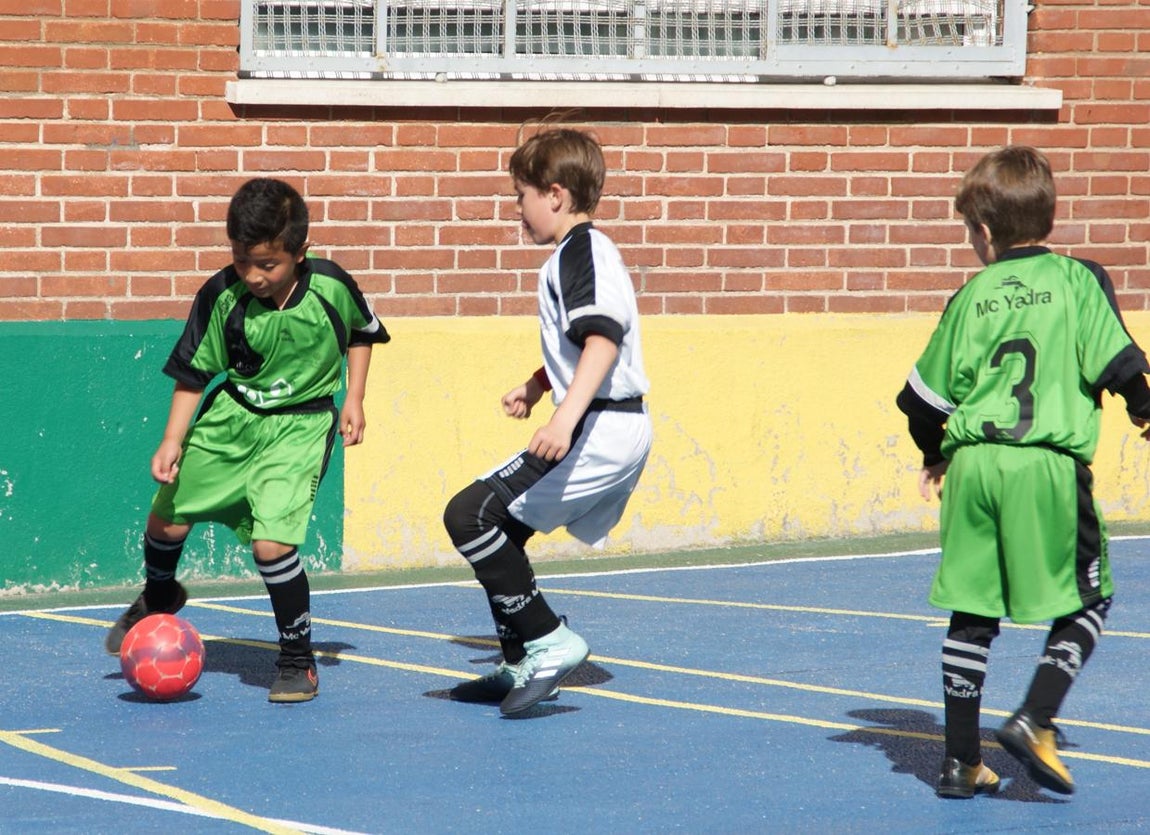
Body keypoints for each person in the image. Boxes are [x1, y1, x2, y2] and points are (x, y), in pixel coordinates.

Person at [897, 146, 1150, 798]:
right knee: (1091, 597)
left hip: (975, 466)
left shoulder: (969, 296)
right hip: (1047, 466)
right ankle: (1036, 715)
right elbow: (1124, 367)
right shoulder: (1078, 279)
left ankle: (959, 761)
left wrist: (935, 453)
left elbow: (920, 400)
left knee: (973, 609)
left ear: (982, 232)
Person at [105, 177, 390, 703]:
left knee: (271, 544)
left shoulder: (331, 286)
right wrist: (172, 440)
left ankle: (297, 659)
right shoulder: (221, 295)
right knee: (165, 520)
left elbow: (361, 333)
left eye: (267, 264)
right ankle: (161, 593)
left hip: (300, 427)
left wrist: (354, 398)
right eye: (242, 261)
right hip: (232, 418)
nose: (254, 275)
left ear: (300, 253)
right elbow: (193, 373)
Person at [443, 127, 652, 716]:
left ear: (555, 195)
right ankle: (519, 661)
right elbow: (582, 338)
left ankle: (551, 641)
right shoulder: (580, 254)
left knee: (470, 513)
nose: (517, 208)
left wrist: (562, 418)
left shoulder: (580, 252)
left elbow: (603, 342)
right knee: (499, 527)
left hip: (601, 426)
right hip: (601, 420)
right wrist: (538, 384)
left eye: (521, 195)